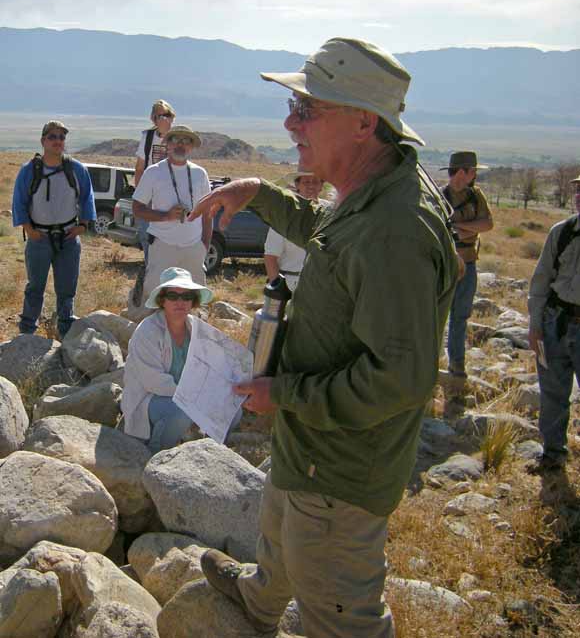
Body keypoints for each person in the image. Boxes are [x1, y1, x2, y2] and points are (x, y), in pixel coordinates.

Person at [191, 37, 458, 638]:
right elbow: (330, 237)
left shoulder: (396, 232)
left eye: (307, 109)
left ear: (365, 122)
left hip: (340, 471)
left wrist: (286, 393)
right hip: (307, 450)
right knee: (280, 526)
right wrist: (260, 194)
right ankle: (261, 599)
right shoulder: (372, 190)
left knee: (341, 614)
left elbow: (399, 379)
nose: (289, 122)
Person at [11, 120, 96, 339]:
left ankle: (66, 332)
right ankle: (27, 333)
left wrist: (83, 225)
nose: (58, 141)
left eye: (61, 137)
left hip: (68, 238)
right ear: (43, 141)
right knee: (35, 287)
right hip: (39, 237)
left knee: (67, 290)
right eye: (52, 137)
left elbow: (87, 198)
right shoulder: (29, 170)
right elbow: (19, 201)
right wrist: (29, 230)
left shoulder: (76, 169)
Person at [122, 266, 212, 453]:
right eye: (172, 296)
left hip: (182, 396)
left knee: (230, 410)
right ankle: (156, 454)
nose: (180, 302)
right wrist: (194, 399)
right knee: (181, 412)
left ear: (193, 300)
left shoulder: (196, 328)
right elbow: (154, 382)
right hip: (149, 399)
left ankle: (208, 452)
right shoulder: (148, 331)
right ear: (162, 300)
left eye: (186, 296)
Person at [130, 124, 212, 321]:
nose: (180, 145)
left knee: (194, 301)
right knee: (154, 298)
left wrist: (204, 246)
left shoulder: (200, 174)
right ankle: (147, 343)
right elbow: (137, 208)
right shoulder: (153, 172)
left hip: (193, 248)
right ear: (167, 144)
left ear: (191, 147)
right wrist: (166, 216)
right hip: (162, 245)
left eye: (186, 141)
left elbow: (208, 213)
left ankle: (190, 345)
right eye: (176, 140)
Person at [528, 174, 580, 470]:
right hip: (556, 323)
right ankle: (552, 453)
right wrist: (535, 325)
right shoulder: (562, 232)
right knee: (552, 391)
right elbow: (540, 282)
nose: (579, 196)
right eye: (578, 191)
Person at [440, 151, 493, 379]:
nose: (474, 175)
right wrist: (470, 227)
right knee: (435, 316)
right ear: (463, 172)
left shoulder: (476, 196)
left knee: (460, 317)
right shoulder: (438, 196)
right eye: (473, 171)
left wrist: (462, 227)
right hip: (443, 265)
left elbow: (487, 224)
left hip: (468, 264)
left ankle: (457, 366)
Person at [263, 172, 324, 291]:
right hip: (291, 285)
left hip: (322, 286)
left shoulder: (331, 212)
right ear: (297, 185)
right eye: (306, 182)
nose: (311, 186)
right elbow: (270, 257)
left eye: (316, 182)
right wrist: (277, 288)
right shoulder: (284, 215)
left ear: (321, 186)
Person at [134, 100, 176, 263]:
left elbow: (181, 160)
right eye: (157, 116)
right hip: (150, 195)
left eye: (165, 115)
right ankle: (149, 267)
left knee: (168, 236)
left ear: (172, 117)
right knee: (147, 235)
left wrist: (167, 135)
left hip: (170, 194)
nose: (161, 119)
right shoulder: (147, 137)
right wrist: (139, 197)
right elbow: (139, 168)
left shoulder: (177, 137)